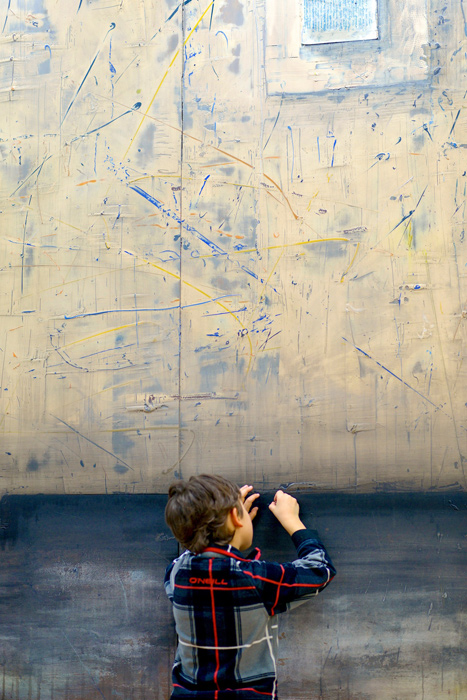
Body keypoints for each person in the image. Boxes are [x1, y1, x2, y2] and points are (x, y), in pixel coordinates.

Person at [164, 474, 336, 700]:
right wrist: (291, 521)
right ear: (235, 517)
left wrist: (227, 527)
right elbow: (320, 569)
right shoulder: (256, 578)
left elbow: (195, 552)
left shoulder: (176, 573)